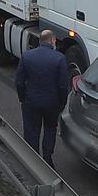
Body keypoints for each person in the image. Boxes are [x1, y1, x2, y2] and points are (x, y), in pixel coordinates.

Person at [14, 30, 69, 168]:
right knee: (50, 129)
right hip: (52, 103)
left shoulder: (27, 56)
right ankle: (47, 159)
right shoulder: (59, 58)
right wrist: (61, 103)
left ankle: (33, 162)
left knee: (31, 130)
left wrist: (23, 98)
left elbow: (19, 82)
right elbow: (63, 86)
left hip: (31, 102)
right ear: (52, 41)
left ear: (40, 41)